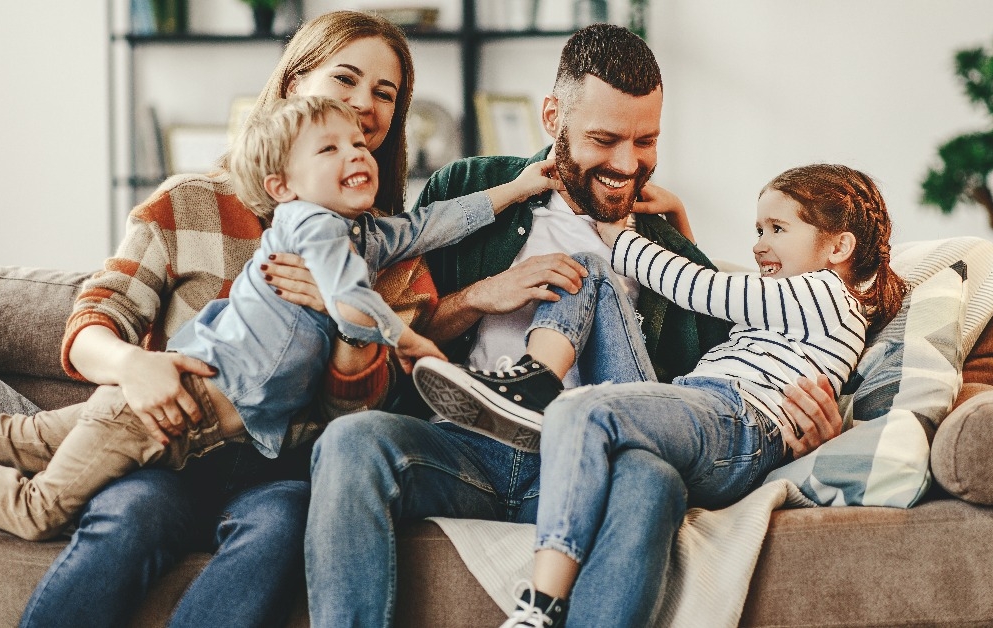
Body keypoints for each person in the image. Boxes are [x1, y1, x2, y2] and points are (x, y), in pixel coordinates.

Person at [0, 11, 427, 627]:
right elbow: (93, 323)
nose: (364, 104)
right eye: (346, 79)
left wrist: (345, 311)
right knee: (129, 515)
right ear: (295, 82)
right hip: (167, 448)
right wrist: (133, 366)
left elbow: (353, 421)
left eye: (385, 94)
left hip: (278, 469)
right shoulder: (188, 201)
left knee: (281, 526)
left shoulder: (386, 250)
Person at [302, 24, 847, 627]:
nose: (626, 164)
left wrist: (808, 427)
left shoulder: (668, 250)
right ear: (552, 116)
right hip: (466, 447)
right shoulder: (472, 187)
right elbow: (401, 329)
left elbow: (718, 394)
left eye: (646, 140)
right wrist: (480, 296)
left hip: (592, 464)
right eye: (604, 139)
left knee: (652, 478)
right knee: (352, 442)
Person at [0, 95, 561, 543]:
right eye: (329, 149)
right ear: (282, 188)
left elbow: (434, 222)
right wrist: (411, 341)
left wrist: (518, 188)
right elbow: (350, 299)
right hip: (164, 407)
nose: (357, 153)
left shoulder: (362, 233)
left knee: (25, 436)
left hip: (186, 428)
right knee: (40, 510)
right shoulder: (311, 225)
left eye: (360, 143)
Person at [442, 162, 906, 627]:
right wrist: (679, 217)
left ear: (839, 247)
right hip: (701, 412)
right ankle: (534, 380)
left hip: (737, 418)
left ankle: (540, 606)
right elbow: (718, 305)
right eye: (758, 229)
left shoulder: (826, 293)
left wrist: (619, 234)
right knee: (587, 275)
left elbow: (703, 290)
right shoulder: (796, 305)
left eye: (777, 229)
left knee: (581, 410)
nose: (758, 244)